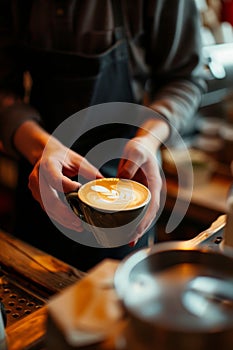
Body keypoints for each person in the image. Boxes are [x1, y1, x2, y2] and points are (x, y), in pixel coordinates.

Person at [0, 0, 206, 272]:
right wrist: (41, 149)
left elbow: (183, 78)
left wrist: (147, 140)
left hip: (127, 176)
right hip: (41, 179)